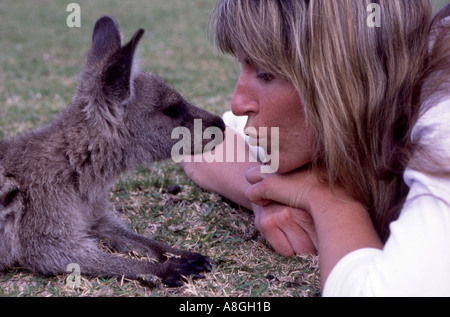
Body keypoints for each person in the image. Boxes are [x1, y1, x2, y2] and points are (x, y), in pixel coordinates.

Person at [182, 0, 450, 296]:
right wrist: (265, 193)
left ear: (344, 75)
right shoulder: (387, 92)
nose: (238, 104)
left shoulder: (443, 113)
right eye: (243, 64)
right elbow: (195, 141)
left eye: (266, 73)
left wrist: (328, 198)